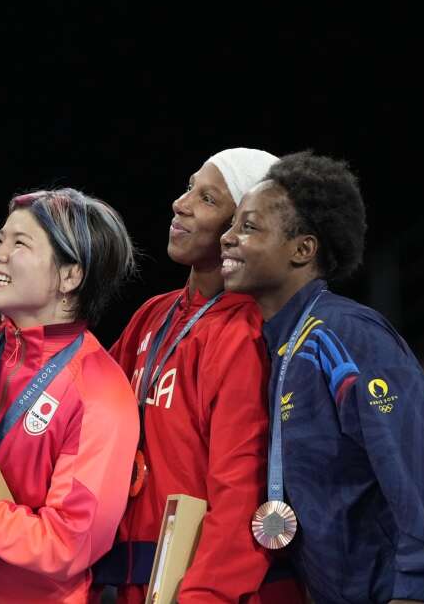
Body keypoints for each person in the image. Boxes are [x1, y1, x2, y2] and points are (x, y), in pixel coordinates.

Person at [220, 151, 424, 603]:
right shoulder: (278, 347)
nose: (227, 239)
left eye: (248, 227)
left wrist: (414, 590)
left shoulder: (345, 336)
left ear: (302, 249)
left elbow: (423, 466)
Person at [92, 148, 306, 603]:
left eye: (207, 198)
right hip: (132, 580)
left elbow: (240, 494)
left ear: (241, 228)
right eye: (189, 188)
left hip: (204, 588)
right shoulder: (153, 315)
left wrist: (204, 596)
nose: (181, 203)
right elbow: (75, 397)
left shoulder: (246, 335)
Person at [0, 188, 140, 603]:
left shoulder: (100, 394)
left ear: (70, 275)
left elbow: (67, 546)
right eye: (0, 240)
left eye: (20, 243)